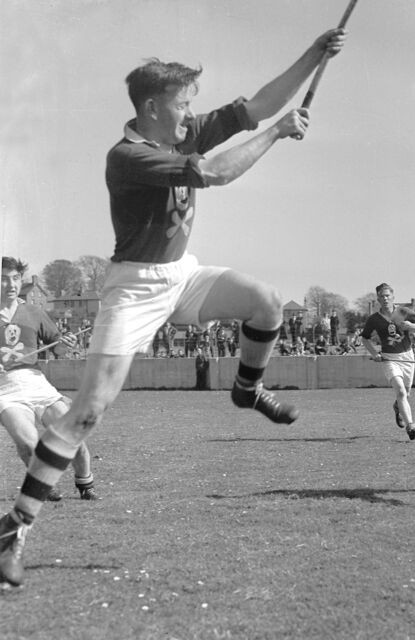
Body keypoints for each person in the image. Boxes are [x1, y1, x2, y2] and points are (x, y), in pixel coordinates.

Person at [0, 28, 348, 588]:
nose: (192, 116)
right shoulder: (130, 156)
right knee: (86, 412)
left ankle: (245, 389)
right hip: (134, 289)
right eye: (184, 105)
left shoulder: (181, 130)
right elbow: (215, 173)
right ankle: (14, 527)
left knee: (264, 303)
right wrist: (281, 135)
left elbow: (257, 106)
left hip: (180, 274)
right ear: (153, 107)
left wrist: (315, 53)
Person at [0, 257, 99, 504]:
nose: (10, 284)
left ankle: (85, 483)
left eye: (15, 278)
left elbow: (58, 349)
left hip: (37, 383)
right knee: (29, 443)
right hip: (5, 390)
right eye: (4, 279)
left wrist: (68, 343)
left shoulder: (34, 311)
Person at [360, 283, 415, 441]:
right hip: (389, 359)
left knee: (407, 393)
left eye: (387, 295)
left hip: (407, 357)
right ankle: (411, 426)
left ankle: (397, 407)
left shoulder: (403, 312)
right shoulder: (374, 319)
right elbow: (364, 338)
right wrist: (375, 353)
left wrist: (411, 326)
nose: (385, 298)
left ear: (393, 297)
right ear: (377, 298)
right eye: (381, 296)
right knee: (400, 391)